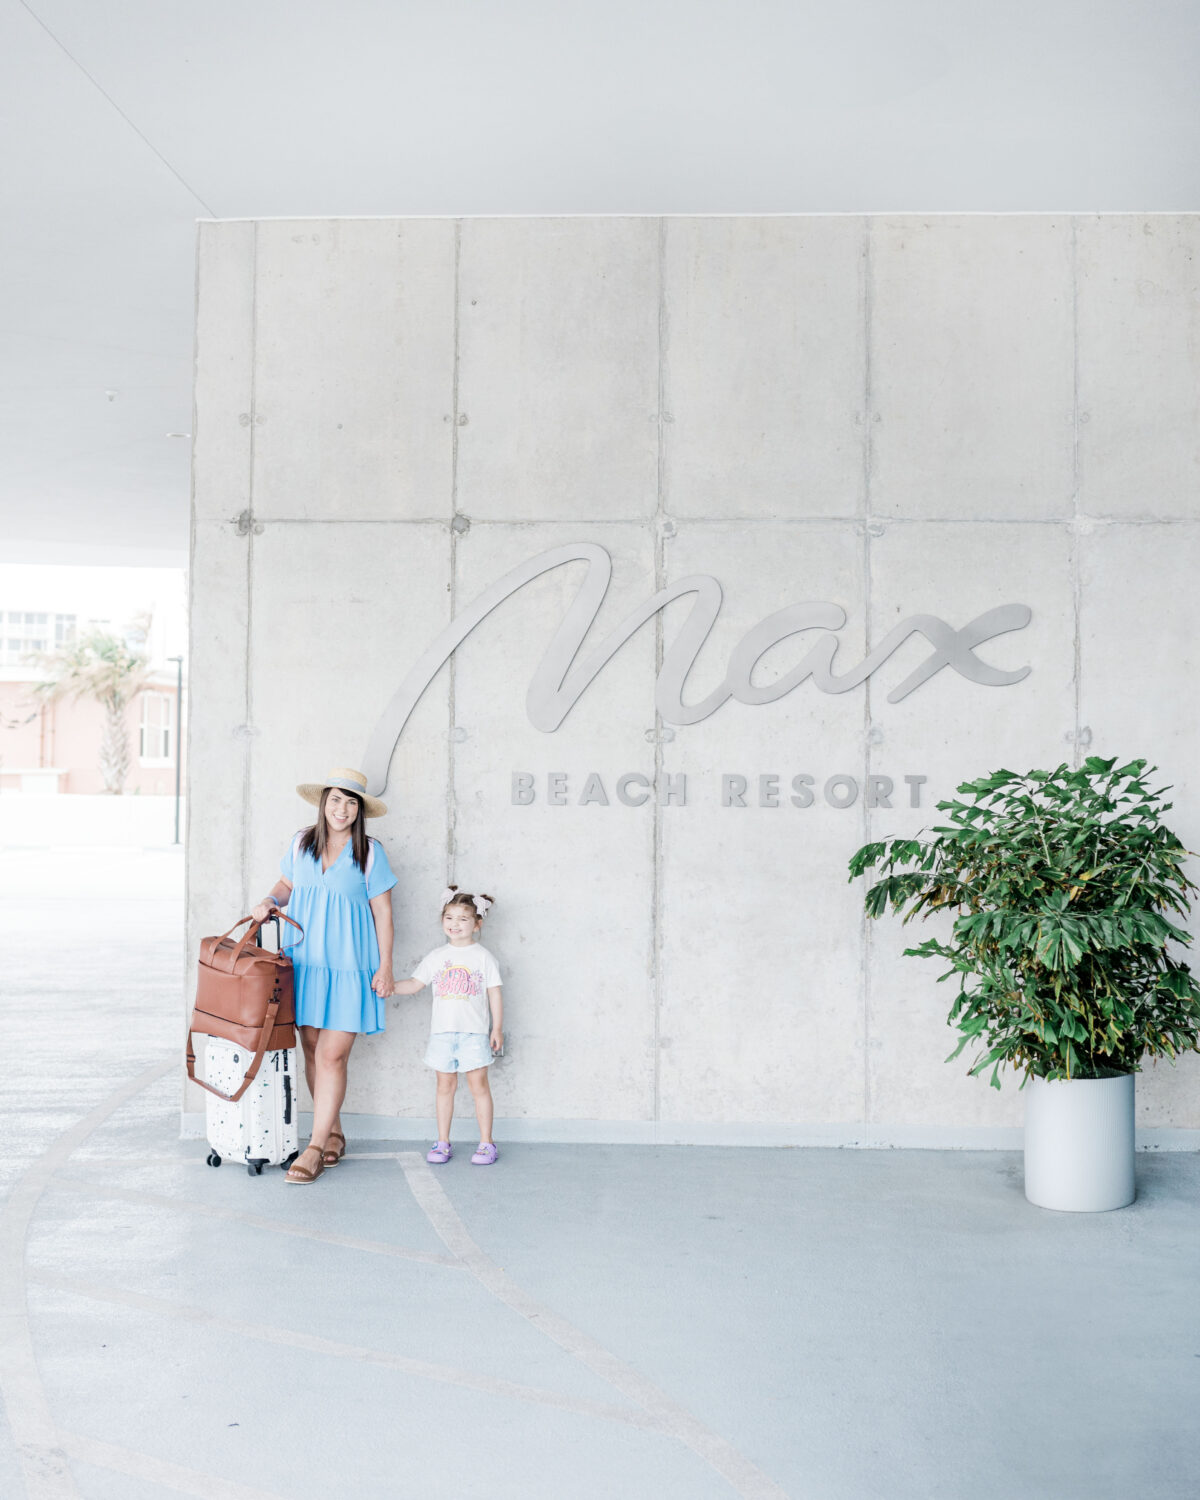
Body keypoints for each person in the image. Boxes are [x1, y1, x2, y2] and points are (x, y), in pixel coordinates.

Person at [252, 767, 397, 1185]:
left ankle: (313, 1148)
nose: (342, 808)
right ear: (324, 802)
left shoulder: (370, 852)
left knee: (333, 1054)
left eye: (351, 802)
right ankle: (332, 1132)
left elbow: (384, 915)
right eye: (336, 799)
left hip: (352, 967)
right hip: (306, 963)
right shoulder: (301, 843)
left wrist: (385, 966)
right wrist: (268, 900)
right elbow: (285, 884)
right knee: (312, 1048)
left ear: (359, 811)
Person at [393, 885, 504, 1166]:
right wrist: (388, 987)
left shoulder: (483, 957)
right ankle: (442, 1142)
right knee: (445, 1086)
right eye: (450, 918)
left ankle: (486, 1143)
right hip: (442, 1034)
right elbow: (415, 984)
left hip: (474, 1033)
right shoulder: (437, 957)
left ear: (477, 925)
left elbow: (494, 993)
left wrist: (497, 1028)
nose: (455, 924)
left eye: (463, 919)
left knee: (479, 1086)